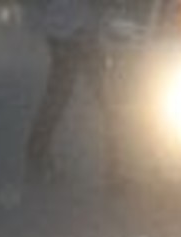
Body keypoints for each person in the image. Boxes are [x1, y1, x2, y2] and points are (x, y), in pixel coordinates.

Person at [24, 0, 119, 186]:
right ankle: (117, 166)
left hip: (69, 30)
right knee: (106, 100)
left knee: (61, 96)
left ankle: (38, 154)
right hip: (72, 31)